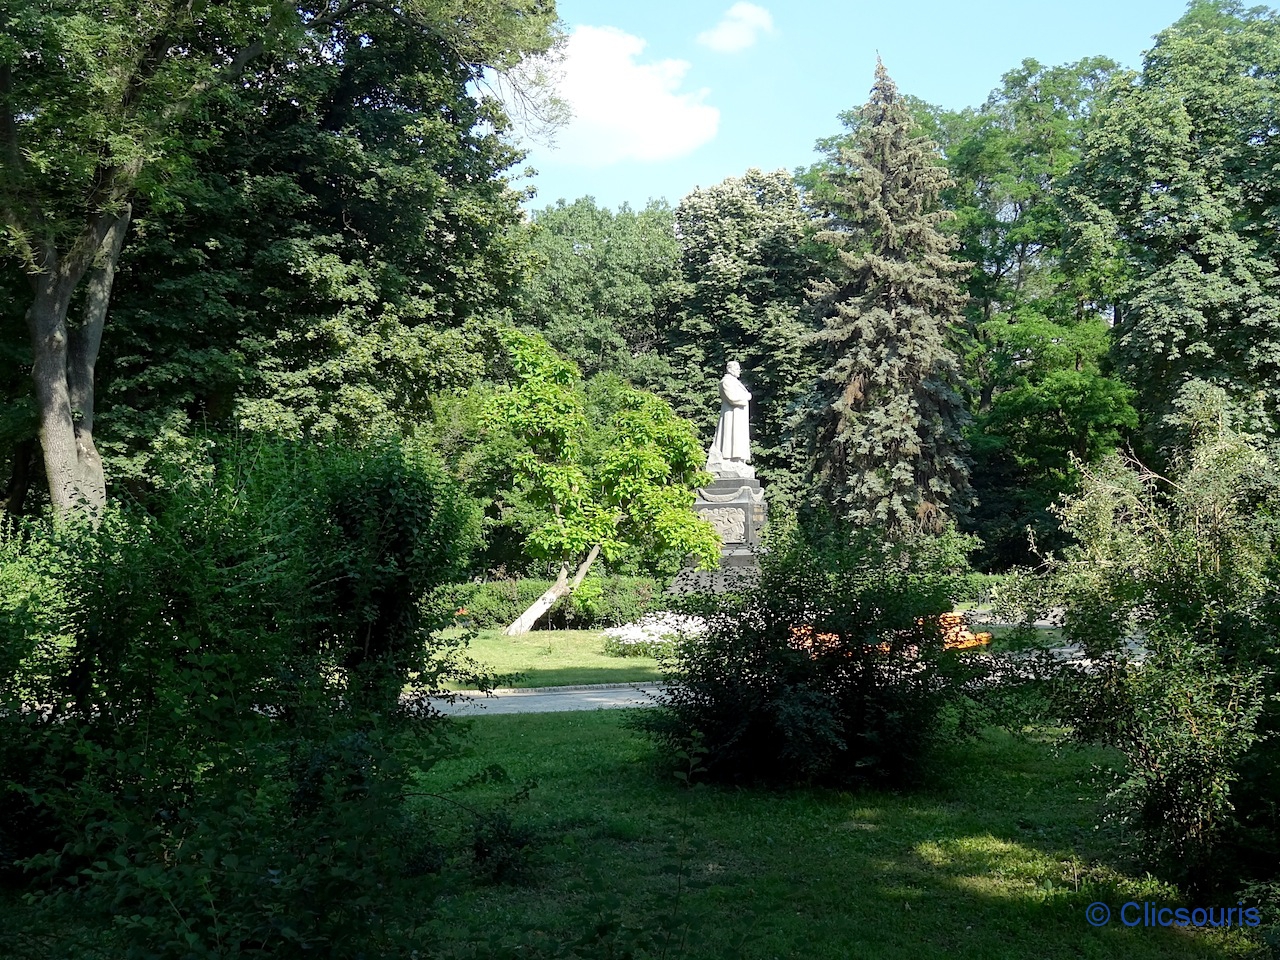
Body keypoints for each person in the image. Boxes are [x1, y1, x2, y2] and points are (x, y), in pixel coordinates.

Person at [707, 361, 752, 475]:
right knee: (731, 436)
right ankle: (730, 459)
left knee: (738, 436)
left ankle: (738, 460)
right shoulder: (726, 381)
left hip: (739, 415)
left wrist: (746, 397)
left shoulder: (735, 382)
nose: (739, 371)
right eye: (737, 368)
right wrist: (746, 397)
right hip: (731, 414)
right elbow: (733, 398)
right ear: (730, 369)